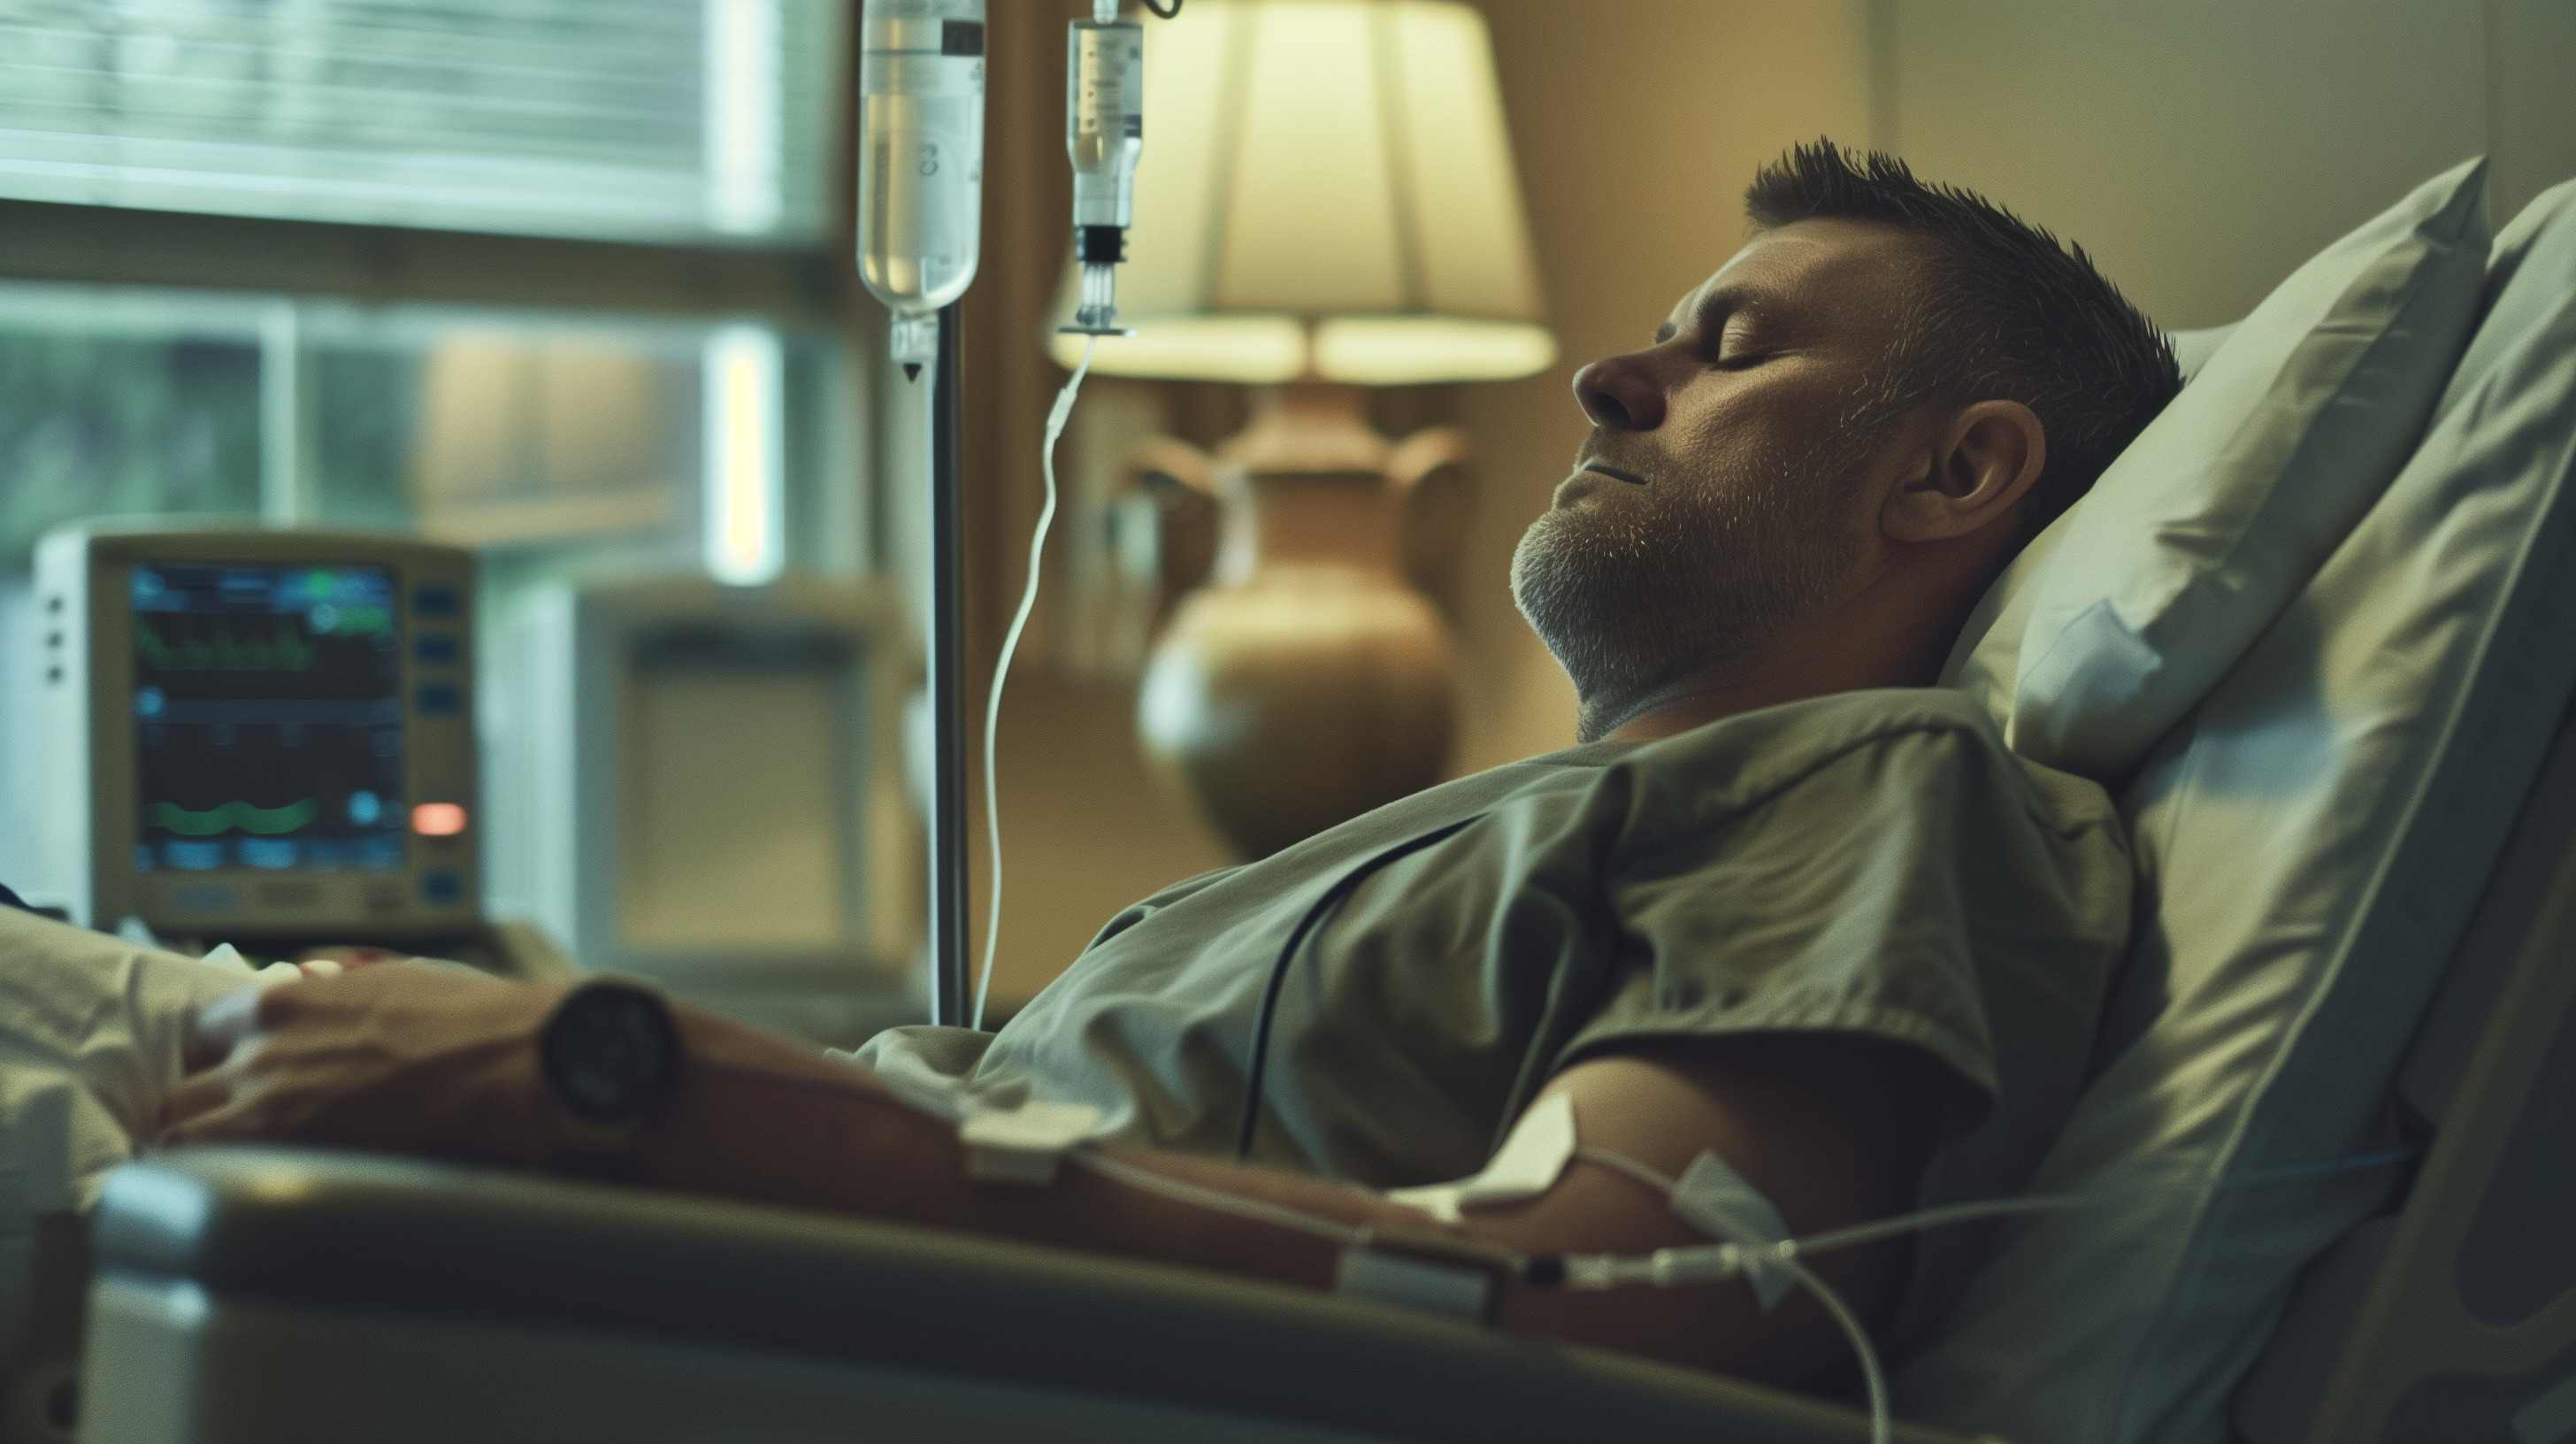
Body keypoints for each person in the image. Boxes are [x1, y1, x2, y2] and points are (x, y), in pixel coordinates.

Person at [34, 138, 2181, 1398]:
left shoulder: (1893, 794)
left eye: (1729, 349)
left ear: (1955, 472)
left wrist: (624, 1083)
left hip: (662, 1280)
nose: (1615, 372)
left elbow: (1602, 1290)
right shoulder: (1520, 823)